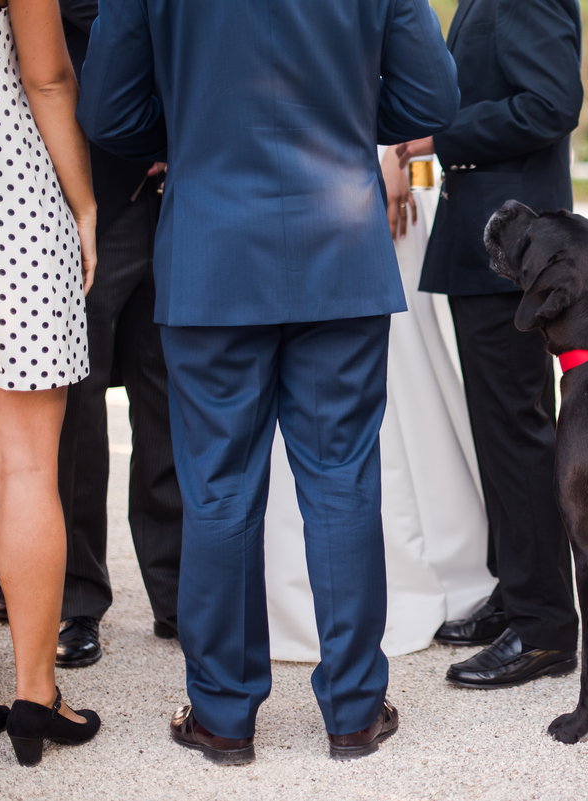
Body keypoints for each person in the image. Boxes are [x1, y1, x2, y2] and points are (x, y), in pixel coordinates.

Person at [77, 0, 460, 763]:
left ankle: (223, 715)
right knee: (343, 480)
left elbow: (108, 109)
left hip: (213, 248)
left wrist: (191, 125)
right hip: (339, 247)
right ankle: (353, 709)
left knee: (217, 487)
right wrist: (347, 111)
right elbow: (432, 99)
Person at [0, 0, 182, 669]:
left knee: (169, 407)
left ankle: (176, 595)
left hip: (170, 200)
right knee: (74, 424)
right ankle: (77, 606)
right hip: (79, 199)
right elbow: (55, 61)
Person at [396, 0, 583, 690]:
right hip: (490, 243)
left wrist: (435, 136)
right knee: (501, 430)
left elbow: (550, 103)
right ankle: (519, 590)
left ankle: (544, 630)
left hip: (517, 247)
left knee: (517, 431)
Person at [0, 0, 101, 765]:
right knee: (28, 466)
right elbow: (49, 78)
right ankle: (38, 696)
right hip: (10, 204)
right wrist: (86, 203)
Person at [263, 146, 495, 661]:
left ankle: (354, 586)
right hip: (347, 166)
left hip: (348, 173)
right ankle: (316, 592)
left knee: (401, 374)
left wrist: (397, 152)